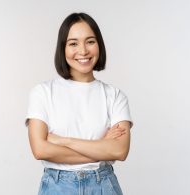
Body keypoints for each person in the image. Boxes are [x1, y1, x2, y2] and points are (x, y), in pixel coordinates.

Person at [25, 12, 133, 195]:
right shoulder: (43, 92)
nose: (83, 51)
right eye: (73, 43)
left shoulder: (115, 96)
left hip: (103, 185)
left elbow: (119, 151)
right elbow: (40, 149)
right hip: (57, 186)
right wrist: (101, 146)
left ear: (99, 45)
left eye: (90, 41)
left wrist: (62, 141)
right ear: (63, 48)